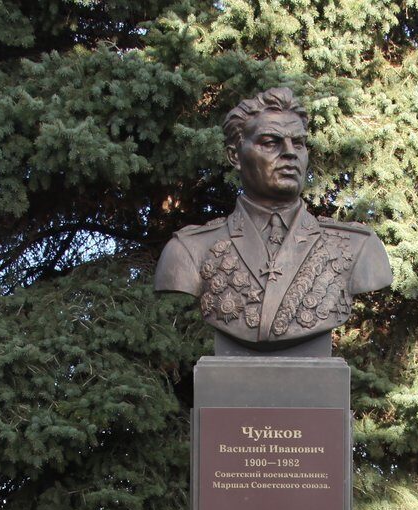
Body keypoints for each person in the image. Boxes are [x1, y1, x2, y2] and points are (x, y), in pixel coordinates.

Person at [154, 87, 391, 348]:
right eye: (270, 143)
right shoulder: (190, 250)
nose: (289, 153)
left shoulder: (358, 248)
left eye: (298, 143)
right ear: (235, 155)